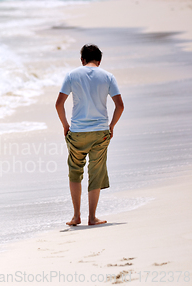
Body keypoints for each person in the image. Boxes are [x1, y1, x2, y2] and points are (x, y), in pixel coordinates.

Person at [55, 44, 124, 226]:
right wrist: (111, 126)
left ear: (82, 60)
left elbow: (58, 104)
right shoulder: (108, 77)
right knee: (96, 172)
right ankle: (92, 217)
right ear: (99, 61)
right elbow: (120, 105)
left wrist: (65, 125)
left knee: (75, 172)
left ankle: (76, 216)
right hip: (100, 132)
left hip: (77, 132)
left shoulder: (72, 75)